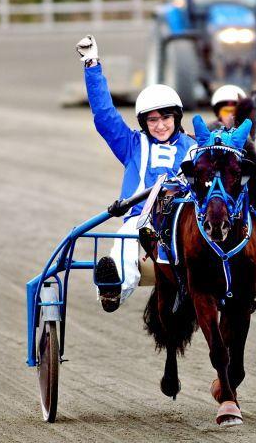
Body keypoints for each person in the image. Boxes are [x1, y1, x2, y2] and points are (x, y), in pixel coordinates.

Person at [76, 35, 196, 313]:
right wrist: (92, 65)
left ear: (176, 118)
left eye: (165, 118)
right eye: (152, 120)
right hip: (141, 220)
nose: (160, 125)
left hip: (184, 222)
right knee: (124, 244)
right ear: (144, 122)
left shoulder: (194, 147)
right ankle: (112, 288)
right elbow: (105, 116)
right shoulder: (132, 144)